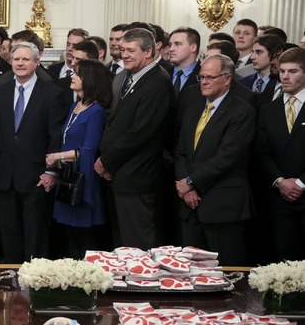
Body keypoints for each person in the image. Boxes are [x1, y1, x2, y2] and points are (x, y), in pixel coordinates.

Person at [0, 42, 67, 263]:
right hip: (4, 176)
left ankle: (33, 285)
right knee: (9, 235)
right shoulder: (1, 92)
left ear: (37, 62)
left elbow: (55, 136)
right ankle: (10, 286)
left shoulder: (52, 93)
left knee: (35, 237)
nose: (20, 63)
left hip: (36, 177)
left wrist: (52, 172)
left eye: (25, 59)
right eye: (16, 59)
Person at [95, 28, 173, 249]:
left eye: (131, 50)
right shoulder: (131, 77)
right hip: (123, 173)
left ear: (148, 51)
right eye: (122, 50)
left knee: (138, 243)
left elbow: (140, 132)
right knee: (123, 243)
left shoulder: (157, 81)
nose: (124, 55)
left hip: (139, 175)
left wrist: (107, 161)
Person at [175, 54, 255, 265]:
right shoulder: (193, 109)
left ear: (227, 79)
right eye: (201, 77)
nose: (204, 82)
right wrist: (187, 186)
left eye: (210, 77)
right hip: (190, 205)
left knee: (229, 271)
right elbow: (181, 152)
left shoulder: (242, 111)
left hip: (222, 205)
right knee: (192, 271)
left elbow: (227, 157)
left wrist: (191, 182)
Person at [46, 59, 112, 259]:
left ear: (89, 79)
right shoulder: (76, 105)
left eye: (77, 74)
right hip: (68, 177)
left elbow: (89, 150)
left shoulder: (97, 111)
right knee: (69, 235)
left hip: (84, 181)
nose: (71, 76)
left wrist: (60, 156)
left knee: (84, 237)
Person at [256, 47, 305, 261]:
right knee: (282, 258)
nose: (285, 76)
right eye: (283, 71)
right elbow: (262, 152)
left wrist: (301, 183)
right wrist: (279, 181)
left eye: (293, 71)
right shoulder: (268, 109)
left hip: (304, 192)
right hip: (278, 199)